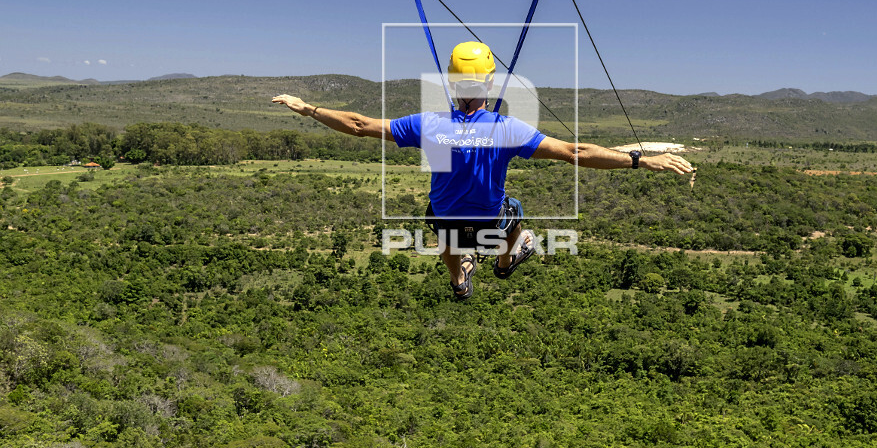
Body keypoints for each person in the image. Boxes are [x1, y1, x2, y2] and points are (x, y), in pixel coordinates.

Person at [272, 41, 693, 300]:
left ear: (452, 85)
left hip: (448, 218)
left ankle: (460, 280)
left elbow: (360, 125)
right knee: (513, 219)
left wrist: (307, 108)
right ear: (490, 85)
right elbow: (574, 152)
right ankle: (506, 262)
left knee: (443, 228)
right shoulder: (507, 129)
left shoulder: (428, 125)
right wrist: (641, 160)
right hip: (490, 218)